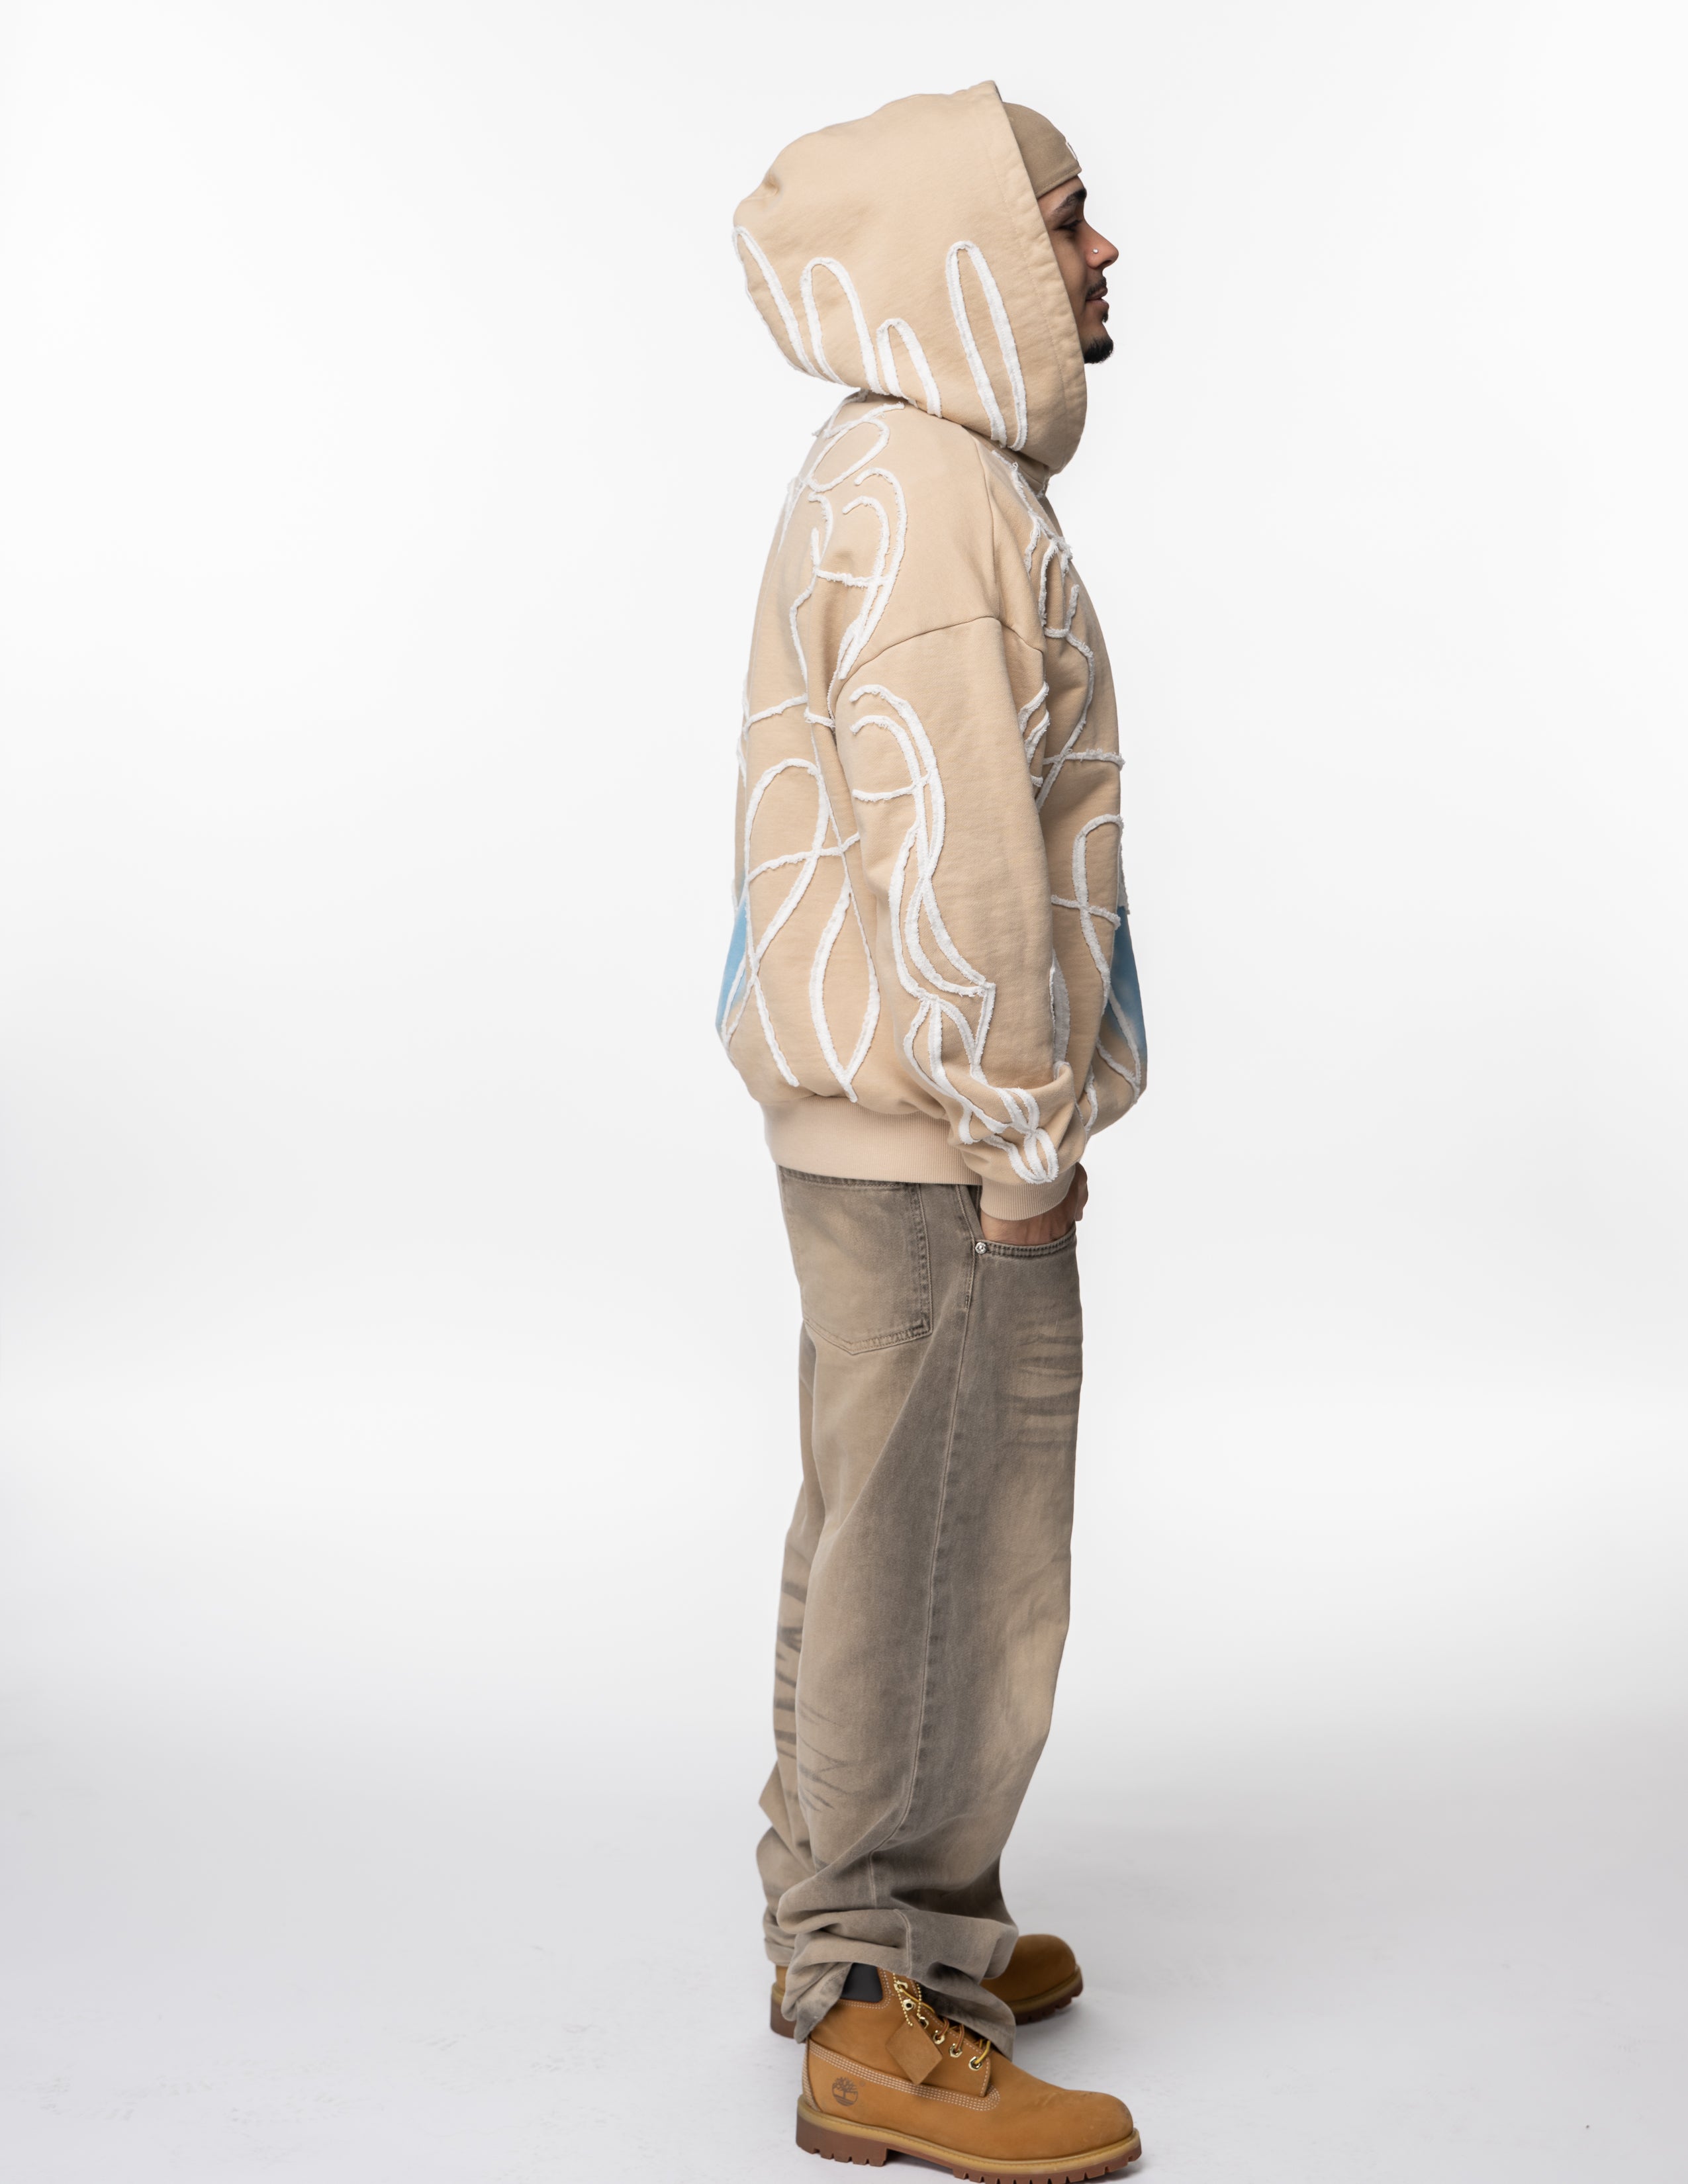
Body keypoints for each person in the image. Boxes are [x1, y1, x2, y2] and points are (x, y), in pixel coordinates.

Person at [718, 83, 1148, 2181]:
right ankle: (878, 1993)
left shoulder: (890, 463)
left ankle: (877, 1929)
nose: (1102, 252)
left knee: (879, 1519)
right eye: (1065, 218)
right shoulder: (938, 495)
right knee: (951, 1540)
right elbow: (963, 854)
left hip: (871, 1114)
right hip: (942, 1135)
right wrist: (1020, 1144)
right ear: (974, 257)